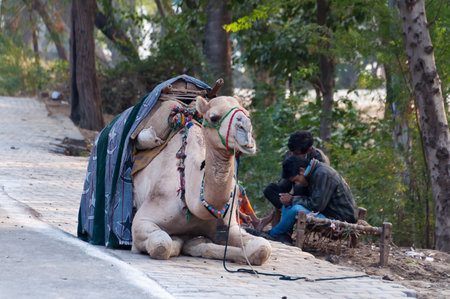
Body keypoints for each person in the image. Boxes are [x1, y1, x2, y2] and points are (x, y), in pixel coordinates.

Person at [268, 155, 357, 240]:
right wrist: (290, 201)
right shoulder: (314, 172)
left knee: (296, 209)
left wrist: (292, 199)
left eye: (296, 180)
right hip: (327, 214)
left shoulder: (322, 174)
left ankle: (272, 234)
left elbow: (316, 205)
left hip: (340, 221)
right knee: (287, 205)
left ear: (301, 170)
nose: (297, 184)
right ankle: (285, 235)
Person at [261, 130, 329, 228]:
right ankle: (287, 215)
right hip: (293, 197)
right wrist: (285, 198)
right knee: (270, 189)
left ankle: (288, 222)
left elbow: (319, 195)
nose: (292, 155)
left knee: (299, 187)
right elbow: (284, 183)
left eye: (296, 153)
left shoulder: (320, 160)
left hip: (310, 199)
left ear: (308, 151)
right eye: (290, 152)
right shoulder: (289, 155)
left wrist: (300, 185)